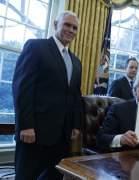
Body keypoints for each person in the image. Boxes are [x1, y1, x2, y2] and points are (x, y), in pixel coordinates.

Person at [12, 11, 82, 179]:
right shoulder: (36, 47)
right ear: (55, 24)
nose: (71, 30)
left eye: (74, 27)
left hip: (62, 137)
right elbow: (22, 87)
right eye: (67, 25)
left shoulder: (76, 62)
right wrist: (25, 125)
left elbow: (75, 96)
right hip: (34, 133)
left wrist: (75, 125)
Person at [97, 73, 139, 152]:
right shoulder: (118, 109)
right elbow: (101, 139)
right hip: (125, 158)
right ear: (134, 91)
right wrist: (121, 139)